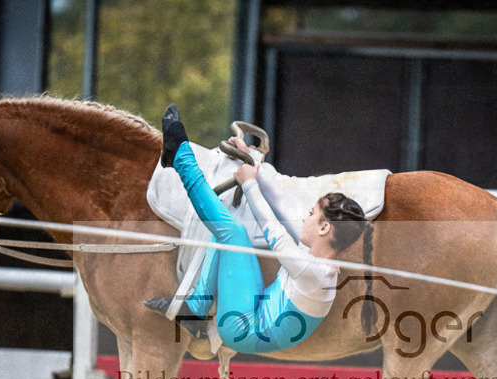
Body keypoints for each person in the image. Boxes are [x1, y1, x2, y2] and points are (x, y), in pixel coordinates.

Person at [145, 105, 374, 354]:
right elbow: (281, 204)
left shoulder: (313, 271)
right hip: (257, 307)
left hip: (242, 329)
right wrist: (252, 160)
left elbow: (273, 230)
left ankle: (181, 157)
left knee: (232, 231)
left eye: (311, 214)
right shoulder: (317, 257)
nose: (305, 218)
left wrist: (250, 183)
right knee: (230, 221)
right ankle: (195, 308)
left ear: (324, 228)